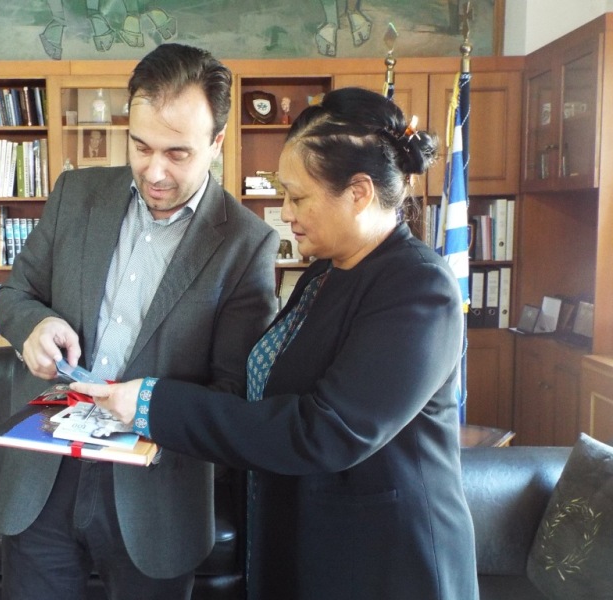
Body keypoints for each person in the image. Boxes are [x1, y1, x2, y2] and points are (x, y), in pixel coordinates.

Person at [73, 87, 480, 600]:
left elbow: (324, 431)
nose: (285, 213)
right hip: (311, 543)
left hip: (386, 562)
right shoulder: (324, 273)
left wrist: (154, 404)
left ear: (358, 192)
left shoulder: (418, 287)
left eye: (298, 197)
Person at [0, 43, 279, 600]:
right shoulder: (76, 194)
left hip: (156, 496)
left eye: (178, 153)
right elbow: (14, 295)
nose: (154, 170)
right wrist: (33, 327)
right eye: (141, 146)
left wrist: (148, 403)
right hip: (43, 480)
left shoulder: (246, 245)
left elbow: (232, 393)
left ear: (217, 142)